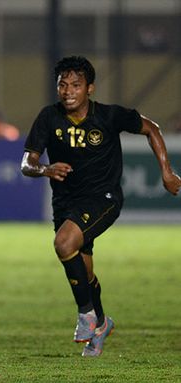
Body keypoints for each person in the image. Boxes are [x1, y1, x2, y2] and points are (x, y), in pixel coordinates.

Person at [21, 55, 181, 356]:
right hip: (65, 202)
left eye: (76, 85)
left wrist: (166, 171)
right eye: (63, 85)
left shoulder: (108, 116)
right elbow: (26, 164)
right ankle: (102, 323)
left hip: (103, 199)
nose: (68, 91)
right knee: (84, 270)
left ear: (90, 88)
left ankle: (86, 316)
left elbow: (152, 129)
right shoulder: (48, 117)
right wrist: (45, 169)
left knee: (63, 242)